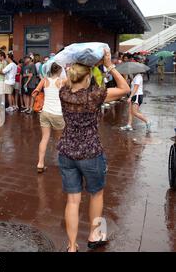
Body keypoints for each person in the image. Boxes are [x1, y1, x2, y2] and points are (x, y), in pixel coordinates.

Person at [57, 50, 130, 252]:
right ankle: (94, 234)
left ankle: (72, 246)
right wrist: (109, 65)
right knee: (96, 194)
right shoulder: (95, 96)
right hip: (91, 153)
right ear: (88, 77)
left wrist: (71, 66)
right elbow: (125, 88)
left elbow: (65, 79)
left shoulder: (63, 93)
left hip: (66, 152)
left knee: (73, 200)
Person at [33, 63, 66, 173]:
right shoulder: (61, 81)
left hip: (45, 112)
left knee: (45, 138)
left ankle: (40, 164)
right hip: (57, 113)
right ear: (60, 71)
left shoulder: (44, 80)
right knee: (60, 140)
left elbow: (34, 93)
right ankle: (63, 163)